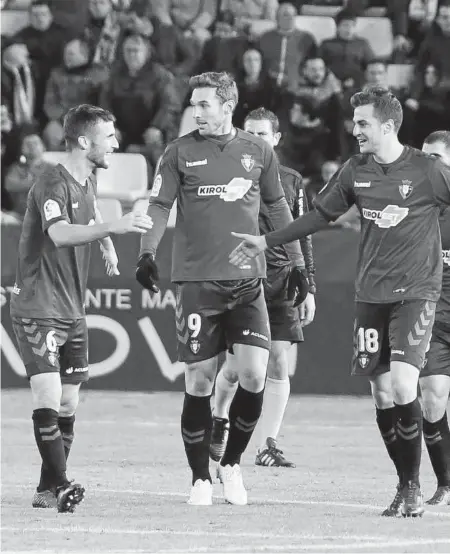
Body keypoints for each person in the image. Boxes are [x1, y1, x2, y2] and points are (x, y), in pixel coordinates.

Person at [228, 85, 450, 518]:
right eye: (355, 122)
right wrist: (266, 240)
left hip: (417, 294)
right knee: (382, 394)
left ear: (388, 126)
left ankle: (412, 489)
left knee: (406, 385)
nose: (355, 129)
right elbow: (317, 216)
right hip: (370, 296)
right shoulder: (356, 170)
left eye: (363, 123)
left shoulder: (428, 170)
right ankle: (405, 482)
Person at [135, 72, 309, 506]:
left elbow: (277, 206)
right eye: (193, 104)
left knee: (253, 375)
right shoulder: (178, 152)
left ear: (227, 105)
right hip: (197, 282)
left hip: (248, 281)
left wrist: (299, 263)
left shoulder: (257, 152)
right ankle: (199, 478)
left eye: (204, 104)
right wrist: (147, 251)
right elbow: (159, 205)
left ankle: (230, 464)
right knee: (200, 380)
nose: (196, 111)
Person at [9, 104, 153, 513]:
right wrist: (114, 228)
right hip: (38, 304)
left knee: (69, 402)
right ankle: (64, 484)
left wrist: (106, 245)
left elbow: (88, 214)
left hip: (72, 307)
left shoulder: (86, 180)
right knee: (49, 395)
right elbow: (60, 233)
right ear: (85, 141)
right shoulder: (50, 182)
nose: (117, 142)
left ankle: (45, 488)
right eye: (110, 136)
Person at [210, 107, 316, 468]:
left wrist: (309, 283)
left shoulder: (291, 180)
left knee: (277, 360)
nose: (256, 140)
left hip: (282, 279)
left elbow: (303, 231)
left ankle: (267, 443)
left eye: (263, 134)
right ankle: (219, 415)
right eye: (250, 133)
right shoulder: (228, 175)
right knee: (239, 367)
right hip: (241, 280)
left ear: (277, 139)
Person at [420, 130, 450, 506]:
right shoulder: (419, 209)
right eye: (425, 158)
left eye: (438, 158)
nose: (431, 166)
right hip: (433, 317)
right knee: (432, 397)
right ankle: (445, 484)